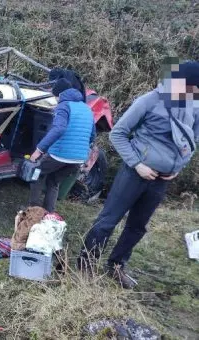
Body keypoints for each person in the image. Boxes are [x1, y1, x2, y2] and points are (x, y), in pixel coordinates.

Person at [78, 60, 199, 289]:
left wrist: (177, 169)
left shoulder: (194, 106)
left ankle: (117, 266)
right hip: (134, 174)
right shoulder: (150, 100)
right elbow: (119, 134)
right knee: (108, 221)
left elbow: (192, 141)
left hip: (161, 180)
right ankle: (86, 265)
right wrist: (137, 164)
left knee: (137, 226)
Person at [28, 78, 96, 212]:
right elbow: (92, 135)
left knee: (37, 174)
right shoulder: (86, 108)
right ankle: (48, 213)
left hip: (60, 154)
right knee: (54, 182)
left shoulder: (63, 106)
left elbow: (59, 128)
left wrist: (39, 150)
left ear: (59, 95)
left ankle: (33, 211)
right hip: (78, 159)